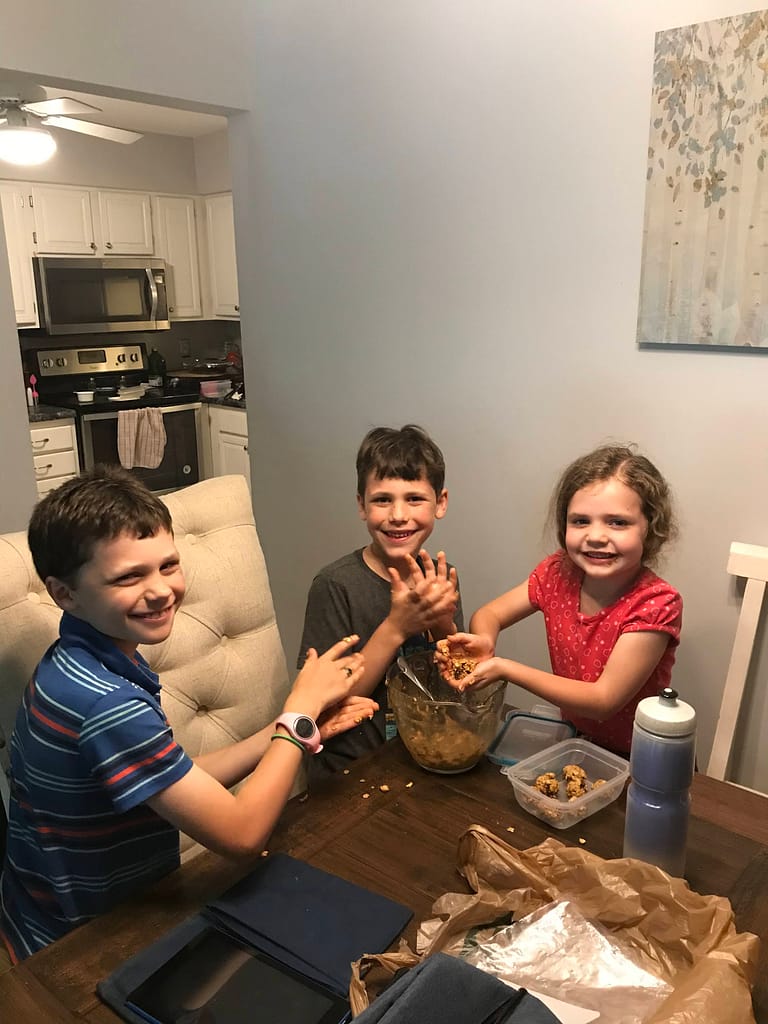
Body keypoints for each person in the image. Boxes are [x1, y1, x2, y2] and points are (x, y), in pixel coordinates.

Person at [0, 466, 374, 963]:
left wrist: (285, 734)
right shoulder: (104, 704)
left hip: (43, 910)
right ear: (64, 592)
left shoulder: (85, 658)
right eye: (129, 576)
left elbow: (172, 775)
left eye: (167, 565)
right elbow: (242, 836)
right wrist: (297, 716)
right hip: (81, 943)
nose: (160, 590)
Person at [437, 444, 681, 755]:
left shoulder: (656, 605)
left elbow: (603, 701)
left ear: (651, 528)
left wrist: (506, 668)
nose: (595, 535)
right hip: (577, 742)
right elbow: (490, 614)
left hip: (641, 758)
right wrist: (484, 641)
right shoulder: (558, 574)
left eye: (617, 522)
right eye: (580, 521)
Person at [298, 425, 462, 778]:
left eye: (415, 498)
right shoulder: (335, 585)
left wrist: (442, 623)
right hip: (348, 770)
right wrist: (396, 627)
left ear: (441, 503)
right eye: (382, 499)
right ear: (361, 505)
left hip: (420, 755)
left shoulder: (438, 580)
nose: (398, 515)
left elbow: (456, 684)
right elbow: (324, 702)